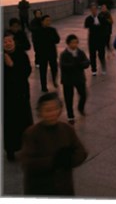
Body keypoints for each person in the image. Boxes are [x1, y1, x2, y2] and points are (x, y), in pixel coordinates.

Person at [20, 92, 88, 196]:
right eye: (47, 110)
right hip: (39, 188)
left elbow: (81, 152)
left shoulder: (67, 129)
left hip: (63, 186)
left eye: (55, 109)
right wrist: (53, 161)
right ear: (40, 113)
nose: (52, 113)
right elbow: (27, 163)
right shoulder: (32, 133)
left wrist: (70, 159)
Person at [3, 31, 33, 161]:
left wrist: (12, 65)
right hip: (6, 98)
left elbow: (26, 72)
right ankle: (10, 149)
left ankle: (27, 147)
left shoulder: (22, 55)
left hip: (21, 96)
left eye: (10, 41)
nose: (8, 44)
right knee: (10, 124)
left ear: (14, 42)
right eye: (4, 42)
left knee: (24, 121)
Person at [59, 34, 90, 124]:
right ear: (68, 44)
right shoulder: (64, 54)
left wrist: (82, 64)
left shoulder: (80, 52)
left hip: (79, 78)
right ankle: (70, 115)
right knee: (69, 98)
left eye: (76, 42)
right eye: (72, 43)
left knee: (83, 94)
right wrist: (75, 64)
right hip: (68, 80)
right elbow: (63, 65)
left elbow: (86, 62)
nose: (74, 44)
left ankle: (80, 107)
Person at [35, 14, 61, 92]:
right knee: (43, 70)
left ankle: (54, 80)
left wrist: (51, 39)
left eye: (49, 20)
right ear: (42, 22)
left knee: (54, 68)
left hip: (52, 53)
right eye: (46, 20)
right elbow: (36, 43)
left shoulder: (52, 30)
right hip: (43, 54)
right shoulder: (38, 31)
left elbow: (57, 40)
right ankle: (44, 86)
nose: (48, 22)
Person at [84, 3, 107, 76]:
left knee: (102, 55)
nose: (94, 11)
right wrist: (95, 26)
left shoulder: (101, 17)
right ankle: (94, 70)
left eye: (95, 9)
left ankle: (103, 68)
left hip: (100, 39)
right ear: (90, 10)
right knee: (92, 55)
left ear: (97, 10)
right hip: (92, 40)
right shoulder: (88, 19)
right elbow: (86, 26)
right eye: (92, 10)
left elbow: (104, 26)